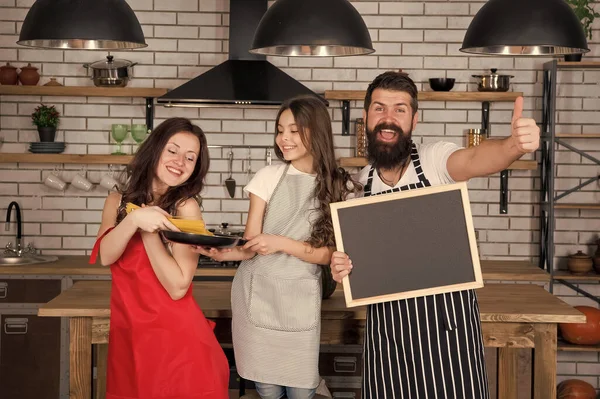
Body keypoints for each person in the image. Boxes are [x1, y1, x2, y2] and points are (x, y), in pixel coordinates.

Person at [329, 71, 540, 399]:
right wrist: (341, 267)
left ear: (414, 119)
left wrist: (513, 145)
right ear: (366, 116)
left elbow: (476, 159)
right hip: (387, 336)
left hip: (447, 333)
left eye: (399, 109)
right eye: (379, 108)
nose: (388, 118)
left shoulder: (434, 162)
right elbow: (354, 269)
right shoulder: (356, 187)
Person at [195, 95, 360, 399]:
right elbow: (250, 245)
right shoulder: (267, 177)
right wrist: (222, 253)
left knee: (301, 390)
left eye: (294, 130)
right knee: (267, 391)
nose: (284, 138)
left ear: (317, 131)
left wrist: (282, 243)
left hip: (299, 297)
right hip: (257, 294)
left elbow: (331, 254)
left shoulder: (341, 185)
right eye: (280, 130)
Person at [89, 117, 229, 399]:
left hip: (177, 345)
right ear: (155, 149)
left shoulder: (185, 208)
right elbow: (106, 254)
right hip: (128, 339)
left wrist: (149, 232)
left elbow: (178, 286)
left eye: (190, 158)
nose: (180, 161)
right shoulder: (117, 202)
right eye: (173, 150)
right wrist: (135, 219)